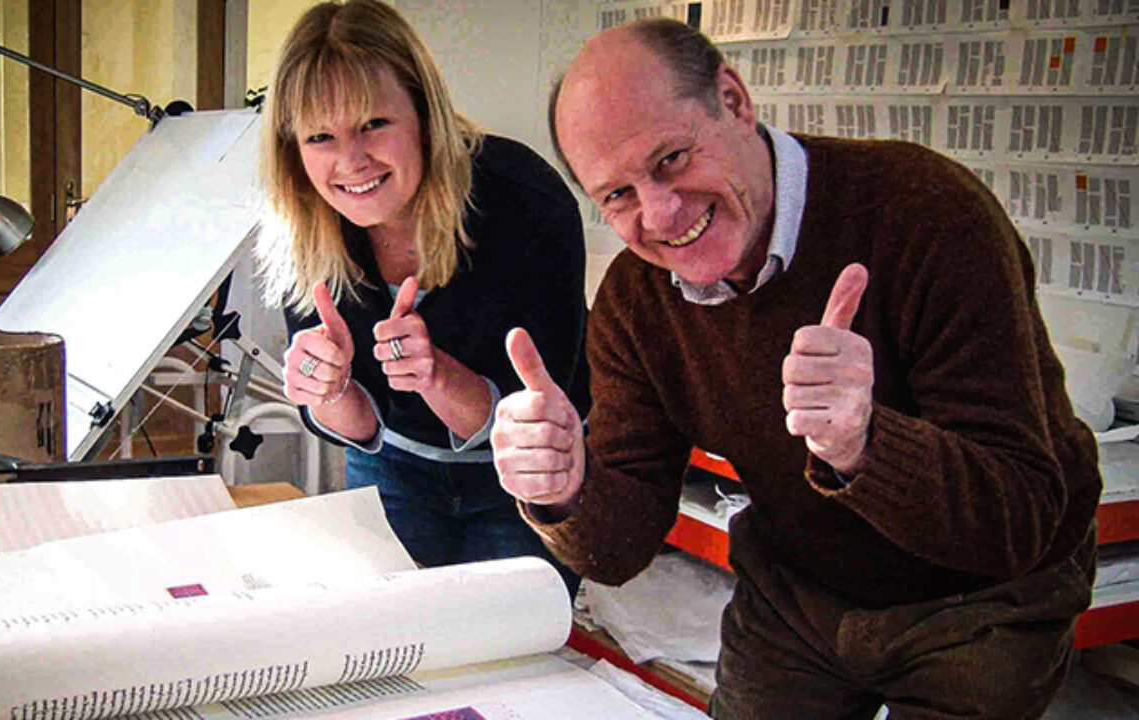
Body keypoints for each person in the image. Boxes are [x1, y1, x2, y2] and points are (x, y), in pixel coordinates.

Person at [491, 18, 1101, 719]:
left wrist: (866, 447)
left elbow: (1016, 519)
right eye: (618, 196)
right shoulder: (637, 298)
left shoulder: (929, 214)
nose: (659, 214)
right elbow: (621, 547)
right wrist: (566, 490)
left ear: (735, 100)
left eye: (671, 159)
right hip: (800, 584)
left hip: (983, 596)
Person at [256, 0, 588, 597]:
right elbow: (359, 428)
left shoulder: (527, 201)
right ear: (293, 148)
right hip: (394, 469)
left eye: (373, 125)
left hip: (523, 474)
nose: (350, 161)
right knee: (384, 649)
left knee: (507, 658)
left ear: (424, 113)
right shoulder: (300, 225)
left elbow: (539, 413)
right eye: (320, 137)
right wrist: (327, 391)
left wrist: (437, 377)